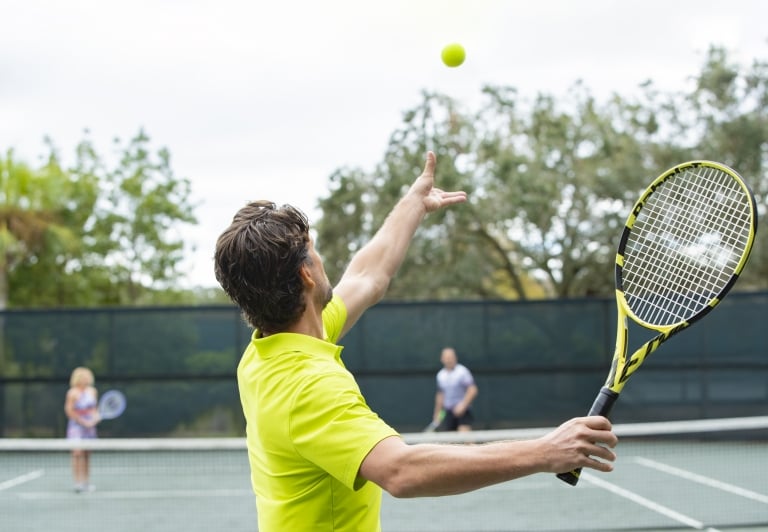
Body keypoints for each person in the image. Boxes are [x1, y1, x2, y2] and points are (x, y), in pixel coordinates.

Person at [214, 152, 617, 532]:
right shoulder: (307, 386)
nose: (322, 262)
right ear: (306, 275)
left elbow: (367, 278)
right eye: (314, 253)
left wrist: (413, 204)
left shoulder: (266, 352)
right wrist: (545, 452)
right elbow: (401, 470)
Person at [64, 366, 98, 493]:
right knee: (77, 454)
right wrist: (82, 421)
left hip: (90, 428)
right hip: (76, 428)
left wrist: (94, 419)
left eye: (87, 377)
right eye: (83, 377)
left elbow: (94, 409)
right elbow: (69, 410)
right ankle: (77, 483)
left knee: (87, 455)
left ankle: (86, 482)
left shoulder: (92, 391)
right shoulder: (72, 393)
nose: (86, 379)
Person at [432, 347, 478, 432]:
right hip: (448, 412)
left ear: (455, 358)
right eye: (447, 358)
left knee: (466, 439)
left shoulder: (462, 372)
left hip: (463, 412)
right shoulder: (440, 375)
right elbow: (440, 395)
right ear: (442, 359)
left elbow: (472, 390)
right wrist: (437, 413)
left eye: (451, 357)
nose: (449, 360)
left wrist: (463, 405)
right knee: (450, 442)